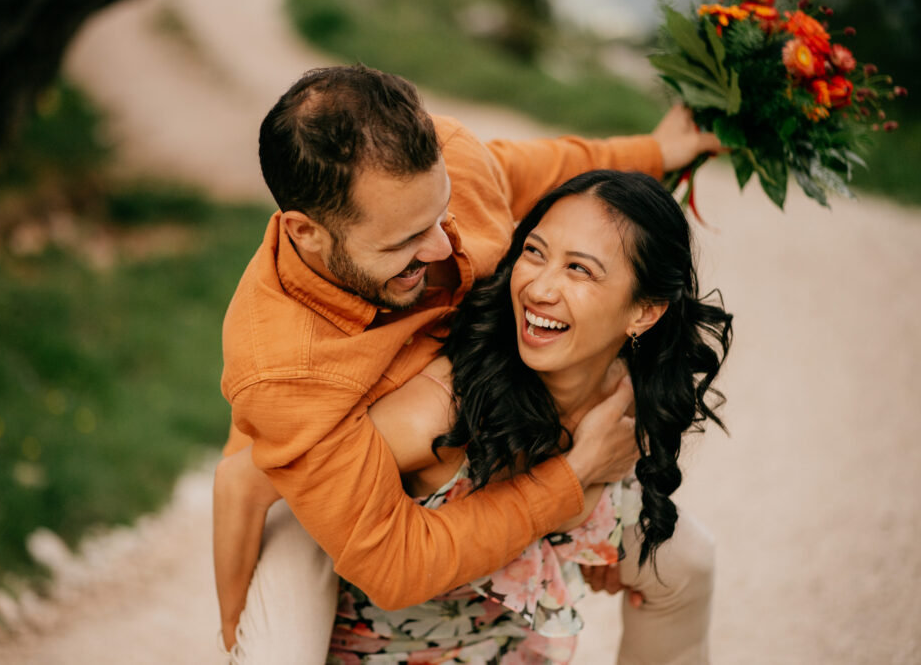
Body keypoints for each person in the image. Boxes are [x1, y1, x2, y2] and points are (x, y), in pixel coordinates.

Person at [216, 64, 723, 659]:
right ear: (308, 234)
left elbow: (540, 174)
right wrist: (569, 479)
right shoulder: (283, 372)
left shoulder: (445, 162)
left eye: (441, 213)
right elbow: (385, 555)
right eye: (404, 241)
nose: (442, 248)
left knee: (686, 560)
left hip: (472, 432)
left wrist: (654, 150)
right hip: (313, 497)